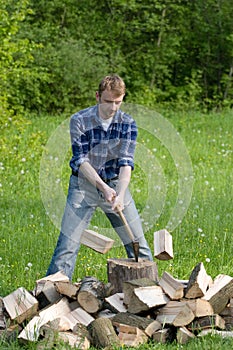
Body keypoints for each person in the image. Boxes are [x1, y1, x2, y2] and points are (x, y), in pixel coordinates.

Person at [46, 74, 153, 280]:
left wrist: (120, 194)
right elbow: (81, 160)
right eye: (108, 101)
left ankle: (150, 296)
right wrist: (102, 188)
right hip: (83, 185)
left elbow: (126, 162)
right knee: (67, 245)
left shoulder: (127, 123)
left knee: (138, 245)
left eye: (118, 102)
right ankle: (50, 298)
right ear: (97, 96)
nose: (113, 107)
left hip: (115, 184)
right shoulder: (79, 120)